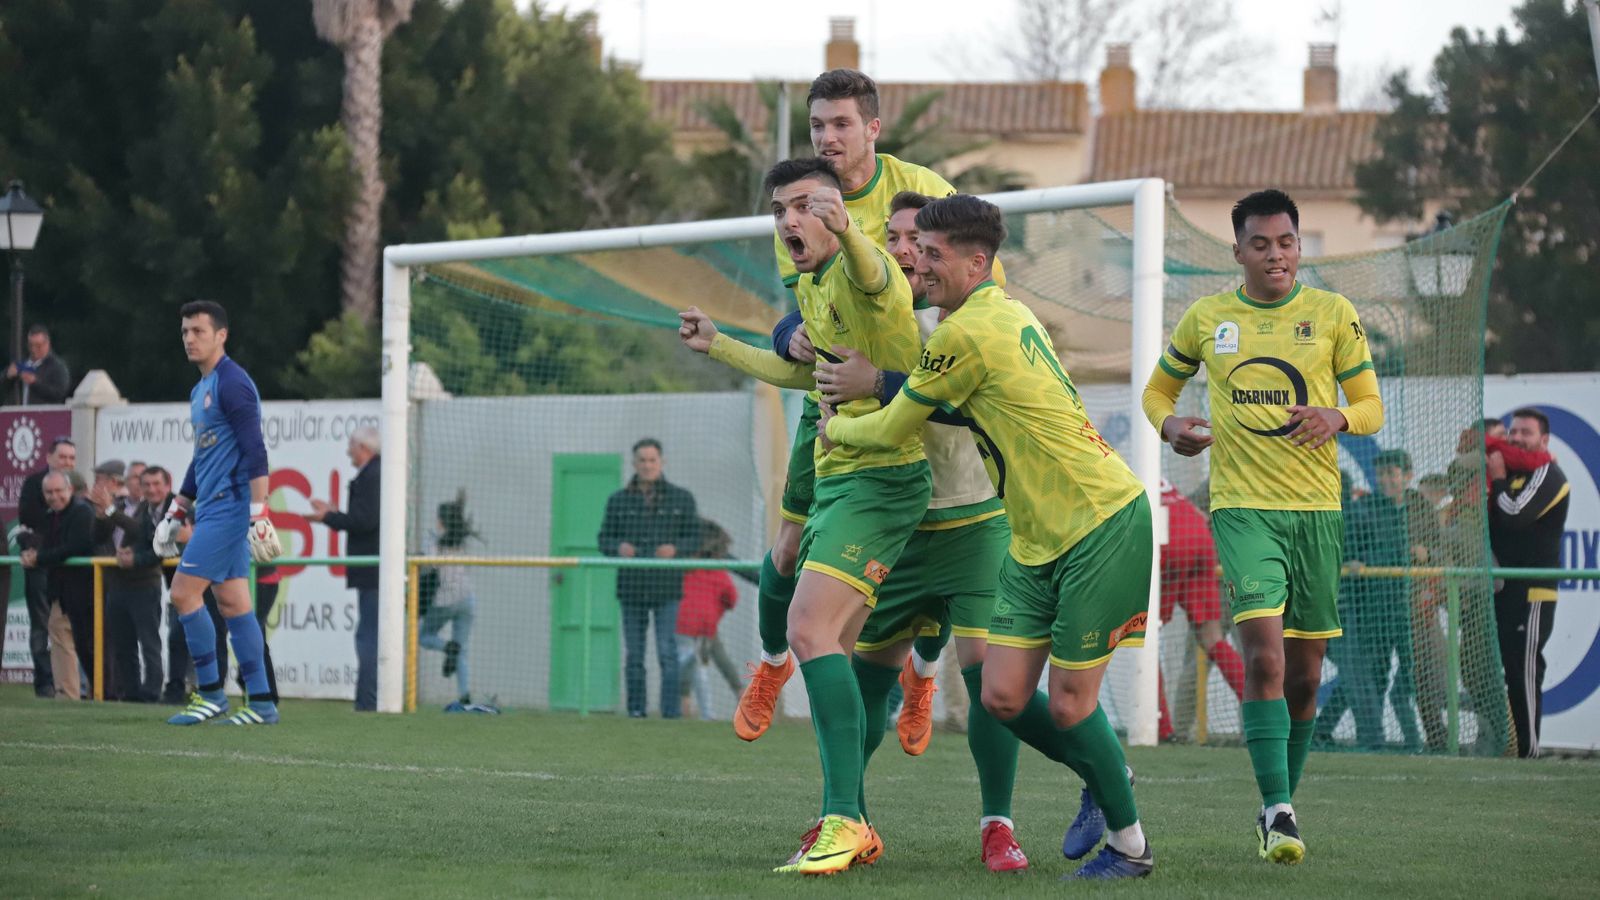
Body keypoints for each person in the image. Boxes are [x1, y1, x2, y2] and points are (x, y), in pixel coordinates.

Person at [682, 191, 1032, 873]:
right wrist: (777, 333)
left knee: (996, 685)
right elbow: (808, 346)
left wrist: (881, 382)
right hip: (899, 530)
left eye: (917, 242)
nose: (906, 251)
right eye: (895, 237)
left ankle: (1000, 820)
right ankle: (845, 812)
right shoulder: (873, 310)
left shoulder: (965, 321)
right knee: (854, 670)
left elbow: (974, 402)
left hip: (971, 525)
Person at [820, 194, 1155, 879]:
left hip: (1098, 520)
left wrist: (836, 428)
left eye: (933, 253)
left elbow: (892, 427)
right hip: (1036, 538)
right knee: (1000, 695)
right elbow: (954, 409)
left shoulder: (963, 332)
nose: (919, 260)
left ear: (977, 261)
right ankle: (1103, 767)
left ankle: (1129, 845)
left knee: (1068, 704)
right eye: (916, 249)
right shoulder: (1005, 311)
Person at [733, 69, 981, 748]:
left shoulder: (924, 189)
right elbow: (801, 309)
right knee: (786, 549)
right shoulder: (802, 200)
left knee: (938, 546)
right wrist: (786, 334)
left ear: (873, 128)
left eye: (841, 124)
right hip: (839, 402)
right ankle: (774, 663)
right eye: (818, 126)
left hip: (915, 388)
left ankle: (923, 675)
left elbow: (967, 285)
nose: (828, 137)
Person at [1142, 189, 1383, 863]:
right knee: (1266, 659)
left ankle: (1279, 804)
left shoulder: (1333, 314)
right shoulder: (1209, 317)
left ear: (1299, 246)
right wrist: (1170, 426)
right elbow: (1158, 390)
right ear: (1238, 250)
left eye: (1286, 242)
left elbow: (1369, 405)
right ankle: (1279, 810)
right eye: (1260, 244)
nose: (1274, 254)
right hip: (1242, 510)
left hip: (1318, 515)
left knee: (1306, 677)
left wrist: (1338, 416)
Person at [152, 299, 282, 726]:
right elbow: (201, 457)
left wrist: (258, 511)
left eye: (199, 331)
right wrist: (178, 508)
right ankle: (261, 703)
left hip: (229, 509)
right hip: (210, 509)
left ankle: (210, 694)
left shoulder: (232, 383)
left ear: (221, 335)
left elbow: (255, 450)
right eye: (185, 331)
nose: (189, 338)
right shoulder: (199, 389)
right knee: (233, 603)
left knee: (184, 594)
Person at [1314, 449, 1424, 750]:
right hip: (1373, 607)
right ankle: (1366, 738)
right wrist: (1358, 561)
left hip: (1411, 606)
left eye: (1392, 473)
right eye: (1382, 474)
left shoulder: (1419, 507)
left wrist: (1427, 553)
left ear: (1407, 475)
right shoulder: (1369, 507)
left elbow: (1433, 544)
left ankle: (1416, 740)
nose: (1386, 479)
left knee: (1408, 674)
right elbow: (1358, 549)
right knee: (1368, 674)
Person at [1488, 408, 1570, 758]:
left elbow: (1514, 515)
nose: (1517, 438)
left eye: (1526, 433)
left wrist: (1499, 479)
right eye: (1513, 432)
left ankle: (1529, 749)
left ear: (1544, 439)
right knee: (1503, 667)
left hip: (1533, 591)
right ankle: (1507, 744)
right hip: (1503, 591)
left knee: (1525, 667)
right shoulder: (1507, 470)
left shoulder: (1549, 474)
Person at [598, 438, 699, 719]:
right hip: (631, 588)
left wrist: (676, 549)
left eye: (652, 460)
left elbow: (695, 537)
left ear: (661, 462)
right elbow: (603, 539)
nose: (647, 465)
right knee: (634, 655)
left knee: (668, 653)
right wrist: (618, 548)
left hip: (667, 588)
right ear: (634, 464)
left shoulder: (682, 498)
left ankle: (669, 713)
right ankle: (636, 711)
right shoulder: (618, 500)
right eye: (642, 460)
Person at [1156, 480, 1246, 742]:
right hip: (1204, 545)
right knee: (1213, 639)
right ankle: (1261, 718)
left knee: (1145, 638)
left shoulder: (1126, 467)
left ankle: (1164, 731)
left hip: (1176, 540)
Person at [309, 426, 381, 712]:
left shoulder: (374, 476)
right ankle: (369, 699)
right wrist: (334, 514)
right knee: (369, 635)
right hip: (372, 571)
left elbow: (365, 521)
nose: (348, 450)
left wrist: (329, 516)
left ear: (363, 447)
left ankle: (368, 702)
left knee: (369, 637)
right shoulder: (375, 474)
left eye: (351, 445)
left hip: (372, 571)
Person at [90, 459, 165, 703]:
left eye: (138, 479)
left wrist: (111, 511)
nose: (134, 483)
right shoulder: (118, 505)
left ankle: (152, 692)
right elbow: (97, 537)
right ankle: (130, 693)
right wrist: (102, 515)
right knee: (123, 644)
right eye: (131, 478)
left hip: (144, 583)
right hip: (117, 582)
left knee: (149, 643)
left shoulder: (150, 509)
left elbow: (137, 531)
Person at [21, 472, 95, 698]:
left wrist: (39, 558)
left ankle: (102, 693)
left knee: (88, 646)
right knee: (61, 640)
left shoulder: (83, 512)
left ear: (70, 490)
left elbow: (76, 546)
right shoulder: (49, 516)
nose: (54, 497)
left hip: (87, 591)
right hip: (59, 592)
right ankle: (66, 695)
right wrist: (32, 551)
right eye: (49, 492)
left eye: (58, 491)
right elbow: (47, 545)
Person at [14, 436, 76, 696]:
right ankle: (44, 684)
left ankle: (74, 684)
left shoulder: (79, 483)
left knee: (70, 628)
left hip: (68, 570)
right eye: (62, 457)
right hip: (40, 568)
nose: (67, 462)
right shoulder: (32, 483)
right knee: (41, 625)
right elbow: (29, 521)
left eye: (72, 458)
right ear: (49, 457)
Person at [675, 519, 743, 721]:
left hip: (686, 626)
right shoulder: (718, 573)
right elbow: (731, 599)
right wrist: (718, 608)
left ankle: (687, 706)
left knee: (691, 664)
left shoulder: (687, 569)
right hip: (705, 627)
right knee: (711, 661)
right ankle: (738, 695)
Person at [419, 490, 478, 709]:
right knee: (462, 648)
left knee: (424, 636)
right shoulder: (461, 541)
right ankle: (465, 696)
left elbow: (428, 567)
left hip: (444, 600)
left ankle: (446, 647)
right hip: (467, 600)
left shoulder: (433, 542)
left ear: (441, 521)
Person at [4, 324, 72, 405]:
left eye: (38, 346)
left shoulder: (57, 367)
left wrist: (34, 383)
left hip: (45, 414)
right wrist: (7, 377)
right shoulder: (22, 363)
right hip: (18, 415)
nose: (33, 349)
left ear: (47, 344)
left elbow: (60, 393)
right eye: (30, 345)